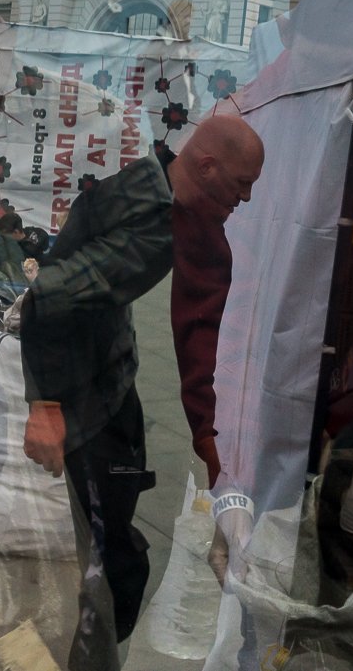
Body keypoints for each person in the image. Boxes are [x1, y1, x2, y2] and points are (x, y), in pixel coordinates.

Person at [19, 115, 264, 671]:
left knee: (111, 565)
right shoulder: (156, 229)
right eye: (240, 184)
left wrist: (216, 452)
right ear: (205, 167)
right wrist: (46, 407)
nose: (246, 199)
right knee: (109, 573)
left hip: (111, 390)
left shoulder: (149, 176)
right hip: (86, 407)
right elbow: (48, 299)